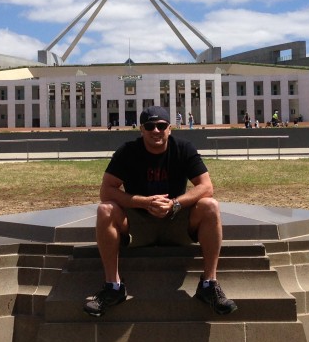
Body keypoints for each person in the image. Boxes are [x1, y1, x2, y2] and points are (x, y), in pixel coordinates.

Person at [83, 106, 237, 317]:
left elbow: (206, 187)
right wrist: (143, 202)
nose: (156, 130)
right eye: (150, 126)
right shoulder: (128, 152)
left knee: (210, 205)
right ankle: (113, 287)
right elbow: (106, 190)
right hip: (138, 225)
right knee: (105, 210)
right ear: (141, 130)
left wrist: (175, 204)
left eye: (161, 126)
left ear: (169, 129)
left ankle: (209, 285)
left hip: (177, 222)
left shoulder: (183, 148)